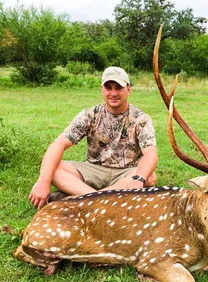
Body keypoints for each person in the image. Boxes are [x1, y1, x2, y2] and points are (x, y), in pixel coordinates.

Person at [29, 66, 158, 209]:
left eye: (118, 88)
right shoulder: (90, 115)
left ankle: (82, 199)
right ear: (102, 90)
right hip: (93, 169)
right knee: (54, 168)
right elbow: (58, 145)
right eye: (108, 88)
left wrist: (138, 180)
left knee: (149, 177)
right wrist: (43, 181)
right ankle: (100, 200)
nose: (113, 93)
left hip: (125, 172)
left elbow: (151, 154)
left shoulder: (141, 119)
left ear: (128, 89)